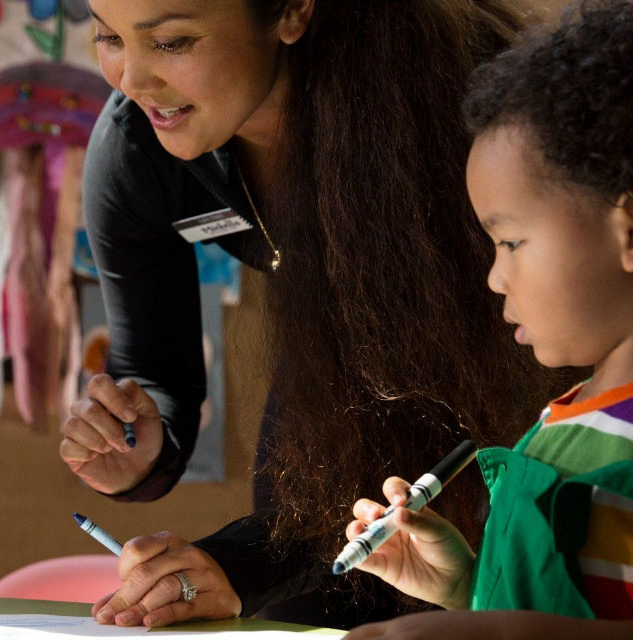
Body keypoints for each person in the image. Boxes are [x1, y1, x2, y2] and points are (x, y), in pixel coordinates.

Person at [62, 0, 568, 630]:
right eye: (108, 36)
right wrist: (135, 446)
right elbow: (154, 376)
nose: (132, 80)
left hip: (529, 389)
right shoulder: (136, 148)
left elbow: (536, 365)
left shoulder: (459, 115)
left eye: (170, 42)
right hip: (353, 415)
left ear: (292, 11)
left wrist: (249, 563)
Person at [342, 2, 633, 637]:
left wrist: (499, 633)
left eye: (511, 242)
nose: (496, 278)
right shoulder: (570, 417)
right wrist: (469, 587)